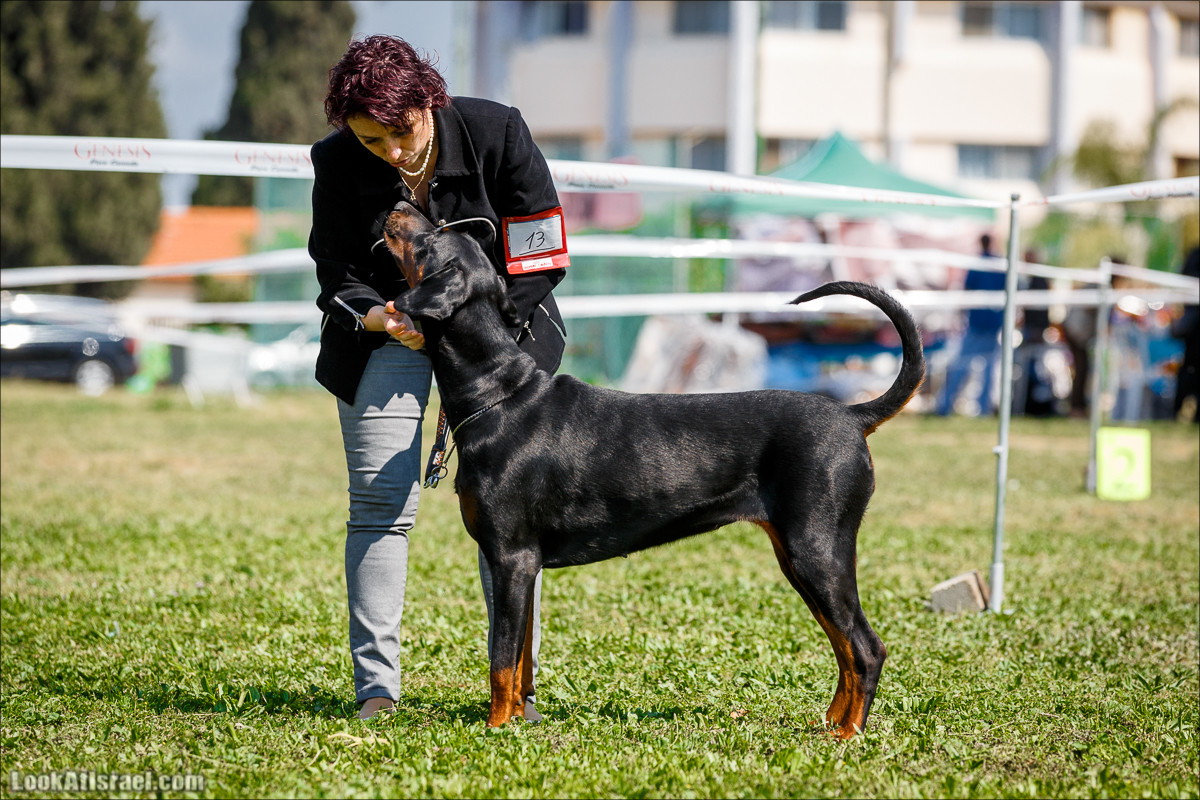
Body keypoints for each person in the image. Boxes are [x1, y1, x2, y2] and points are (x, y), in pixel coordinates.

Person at [309, 35, 568, 721]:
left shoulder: (498, 129)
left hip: (499, 335)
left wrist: (475, 333)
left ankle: (520, 690)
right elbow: (338, 273)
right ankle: (376, 693)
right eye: (370, 140)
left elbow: (540, 254)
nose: (391, 153)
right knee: (379, 506)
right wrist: (381, 321)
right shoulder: (335, 162)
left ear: (429, 99)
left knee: (512, 518)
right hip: (387, 334)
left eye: (401, 133)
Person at [936, 233, 1006, 416]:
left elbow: (967, 290)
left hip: (977, 322)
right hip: (992, 323)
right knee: (988, 370)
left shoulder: (978, 264)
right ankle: (983, 409)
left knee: (962, 365)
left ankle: (944, 406)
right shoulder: (999, 265)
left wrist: (960, 314)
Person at [1171, 246, 1200, 423]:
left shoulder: (1194, 254)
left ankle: (1177, 411)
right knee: (1190, 371)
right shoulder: (1195, 254)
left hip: (1192, 330)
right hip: (1194, 330)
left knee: (1188, 372)